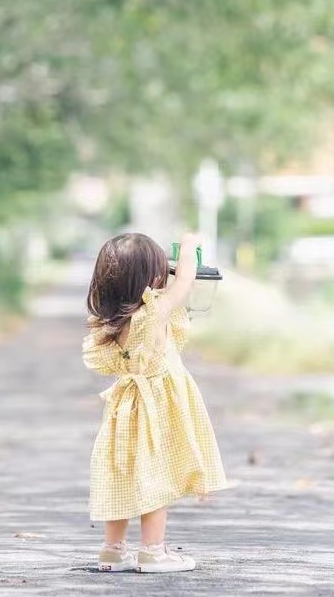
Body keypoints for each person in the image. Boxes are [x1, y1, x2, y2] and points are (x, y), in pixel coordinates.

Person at [83, 230, 229, 573]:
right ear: (152, 278)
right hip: (156, 406)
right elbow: (186, 283)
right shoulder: (153, 312)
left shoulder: (112, 320)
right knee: (156, 475)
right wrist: (191, 247)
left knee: (122, 473)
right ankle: (153, 551)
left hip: (125, 407)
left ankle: (113, 550)